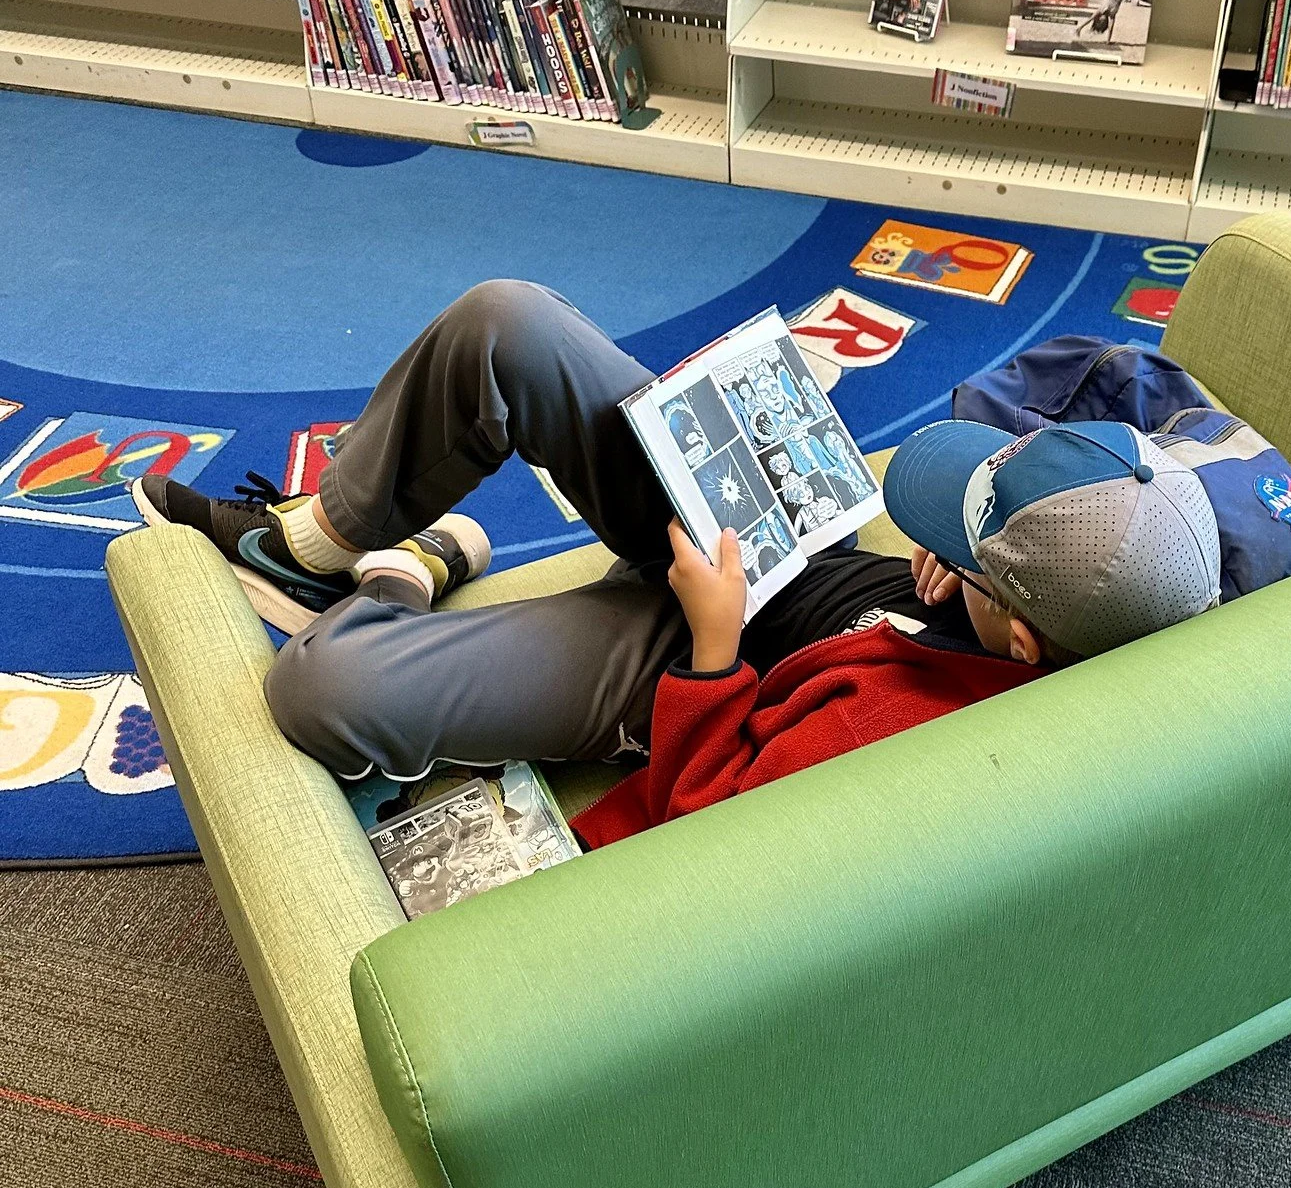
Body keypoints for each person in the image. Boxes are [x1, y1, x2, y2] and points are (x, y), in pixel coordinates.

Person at [135, 281, 1221, 847]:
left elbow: (716, 824)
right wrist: (949, 571)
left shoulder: (918, 743)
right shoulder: (1122, 584)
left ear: (1025, 638)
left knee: (321, 687)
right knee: (507, 323)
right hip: (784, 548)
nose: (945, 545)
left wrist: (709, 640)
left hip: (691, 655)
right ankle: (324, 541)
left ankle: (404, 573)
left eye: (969, 545)